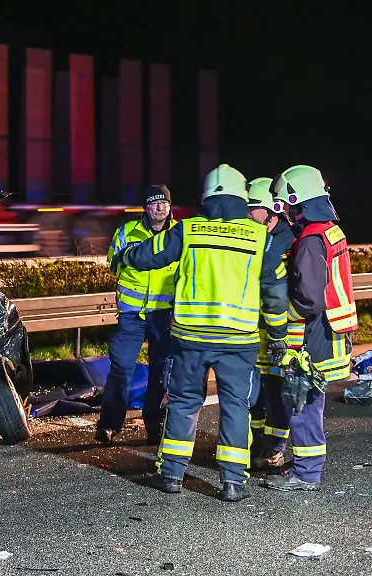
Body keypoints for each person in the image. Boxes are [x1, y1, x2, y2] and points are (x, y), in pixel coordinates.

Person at [113, 164, 288, 502]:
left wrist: (127, 254)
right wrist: (278, 336)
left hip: (190, 338)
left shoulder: (189, 230)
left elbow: (149, 255)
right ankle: (233, 482)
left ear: (207, 198)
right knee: (236, 407)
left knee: (183, 403)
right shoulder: (260, 238)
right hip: (238, 342)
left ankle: (172, 475)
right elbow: (275, 293)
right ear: (242, 198)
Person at [263, 165, 355, 491]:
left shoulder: (311, 240)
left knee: (302, 402)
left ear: (298, 201)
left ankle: (306, 474)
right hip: (334, 332)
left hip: (316, 335)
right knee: (309, 403)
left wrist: (280, 311)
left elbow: (309, 300)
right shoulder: (330, 230)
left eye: (287, 205)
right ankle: (307, 466)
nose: (285, 212)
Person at [96, 184, 178, 445]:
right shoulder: (128, 231)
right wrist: (130, 261)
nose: (159, 207)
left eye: (163, 202)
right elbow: (113, 262)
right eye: (154, 203)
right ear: (145, 207)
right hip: (131, 315)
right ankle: (109, 425)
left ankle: (154, 424)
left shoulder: (179, 233)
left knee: (160, 371)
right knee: (121, 369)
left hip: (163, 315)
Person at [245, 177, 296, 468]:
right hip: (255, 329)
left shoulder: (287, 239)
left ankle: (275, 447)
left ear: (271, 209)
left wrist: (279, 334)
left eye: (253, 207)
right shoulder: (256, 236)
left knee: (277, 394)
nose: (248, 212)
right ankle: (255, 443)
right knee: (255, 393)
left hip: (280, 331)